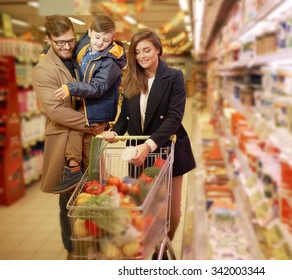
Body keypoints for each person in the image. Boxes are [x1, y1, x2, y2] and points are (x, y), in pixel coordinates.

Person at [102, 28, 196, 256]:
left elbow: (174, 117)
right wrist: (114, 131)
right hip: (138, 154)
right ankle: (148, 244)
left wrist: (149, 145)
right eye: (137, 52)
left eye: (147, 50)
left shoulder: (174, 77)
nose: (142, 56)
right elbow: (125, 117)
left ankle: (163, 248)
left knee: (172, 212)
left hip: (166, 149)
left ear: (158, 50)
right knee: (143, 206)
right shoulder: (132, 79)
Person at [32, 15, 106, 259]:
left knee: (94, 191)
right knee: (69, 199)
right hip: (64, 140)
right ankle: (73, 250)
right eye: (59, 42)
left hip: (87, 140)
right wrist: (90, 123)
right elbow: (56, 110)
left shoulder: (80, 56)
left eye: (69, 40)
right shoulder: (43, 70)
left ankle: (94, 241)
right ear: (48, 40)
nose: (66, 47)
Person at [53, 15, 126, 193]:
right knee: (77, 135)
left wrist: (72, 88)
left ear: (113, 38)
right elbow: (64, 44)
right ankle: (76, 173)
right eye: (97, 37)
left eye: (106, 40)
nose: (100, 43)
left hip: (97, 111)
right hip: (85, 107)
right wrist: (46, 51)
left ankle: (89, 181)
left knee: (89, 150)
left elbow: (99, 87)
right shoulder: (85, 46)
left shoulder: (110, 61)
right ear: (90, 32)